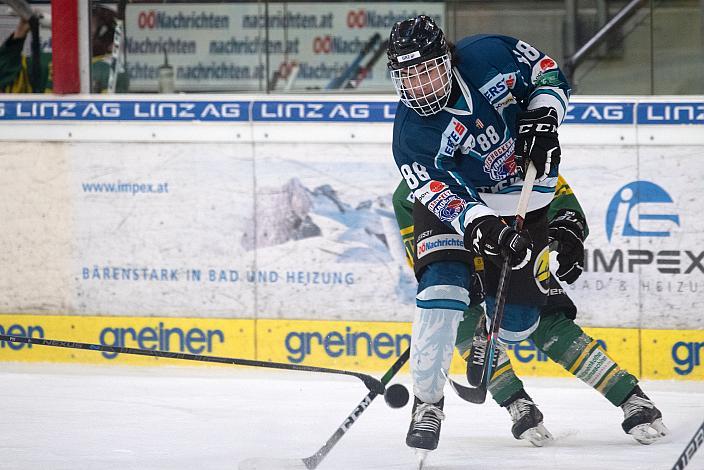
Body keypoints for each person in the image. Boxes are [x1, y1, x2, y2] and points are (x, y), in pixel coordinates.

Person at [386, 15, 667, 456]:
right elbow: (437, 207)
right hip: (455, 220)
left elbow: (547, 77)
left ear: (448, 59)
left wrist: (545, 115)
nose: (420, 87)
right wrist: (476, 252)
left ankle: (501, 339)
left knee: (523, 323)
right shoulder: (413, 151)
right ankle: (435, 404)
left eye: (427, 71)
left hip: (515, 207)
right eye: (408, 77)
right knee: (447, 299)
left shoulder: (491, 56)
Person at [393, 174, 669, 449]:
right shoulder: (416, 186)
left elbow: (558, 195)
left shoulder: (508, 154)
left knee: (548, 324)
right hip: (462, 257)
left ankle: (632, 398)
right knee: (462, 320)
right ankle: (518, 404)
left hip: (514, 250)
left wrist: (567, 225)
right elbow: (419, 242)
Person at [0, 5, 128, 93]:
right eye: (80, 23)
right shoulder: (49, 61)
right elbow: (5, 78)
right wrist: (20, 32)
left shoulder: (110, 69)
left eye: (91, 26)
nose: (80, 29)